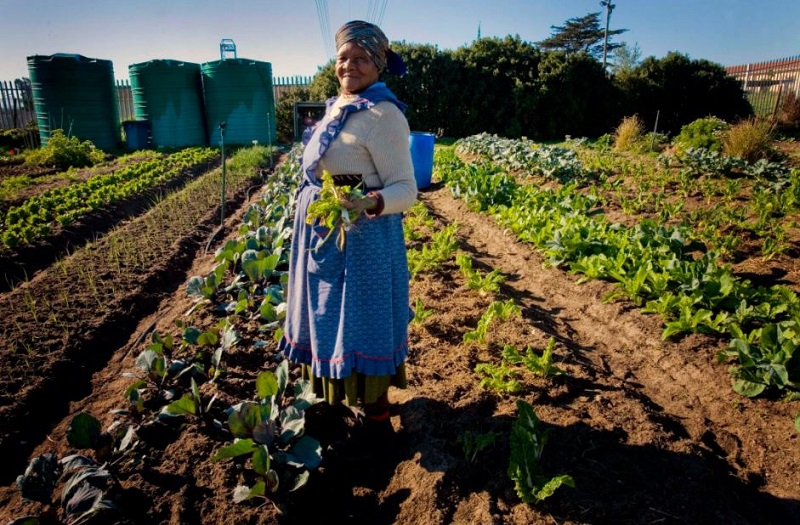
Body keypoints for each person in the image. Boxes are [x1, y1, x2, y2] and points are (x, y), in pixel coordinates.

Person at [278, 20, 417, 436]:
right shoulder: (338, 107)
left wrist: (370, 201)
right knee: (325, 318)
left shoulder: (384, 115)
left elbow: (406, 188)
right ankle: (333, 406)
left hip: (363, 242)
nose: (349, 66)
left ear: (378, 65)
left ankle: (377, 424)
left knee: (363, 325)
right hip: (325, 236)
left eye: (361, 59)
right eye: (343, 58)